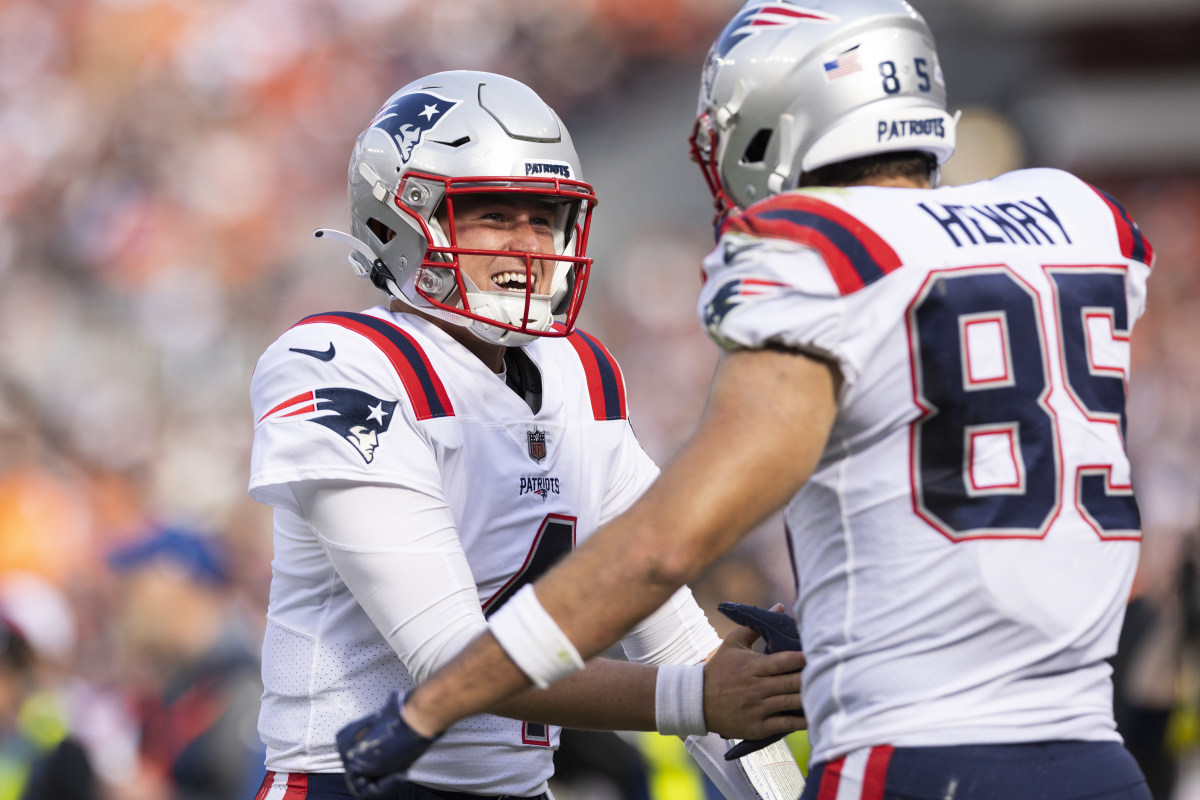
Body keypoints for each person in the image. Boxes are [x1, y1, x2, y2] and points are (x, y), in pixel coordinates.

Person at [334, 4, 1159, 799]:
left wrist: (428, 706)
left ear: (780, 118)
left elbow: (664, 546)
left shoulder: (817, 256)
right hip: (1096, 758)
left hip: (915, 759)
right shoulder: (1078, 220)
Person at [247, 70, 810, 800]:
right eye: (493, 215)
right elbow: (450, 657)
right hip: (353, 785)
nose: (526, 245)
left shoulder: (579, 372)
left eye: (543, 217)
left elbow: (673, 634)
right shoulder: (340, 364)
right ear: (398, 219)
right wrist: (693, 699)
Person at [108, 526, 266, 800]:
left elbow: (253, 793)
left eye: (139, 589)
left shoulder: (242, 684)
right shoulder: (186, 680)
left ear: (181, 587)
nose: (128, 608)